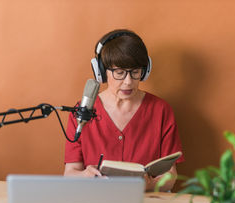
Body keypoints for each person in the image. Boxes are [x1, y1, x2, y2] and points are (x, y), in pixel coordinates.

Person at [64, 29, 184, 191]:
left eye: (135, 72)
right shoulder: (82, 111)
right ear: (102, 72)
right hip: (96, 201)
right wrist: (85, 175)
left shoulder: (161, 110)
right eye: (119, 73)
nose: (128, 82)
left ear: (145, 71)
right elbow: (70, 173)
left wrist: (151, 185)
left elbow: (171, 174)